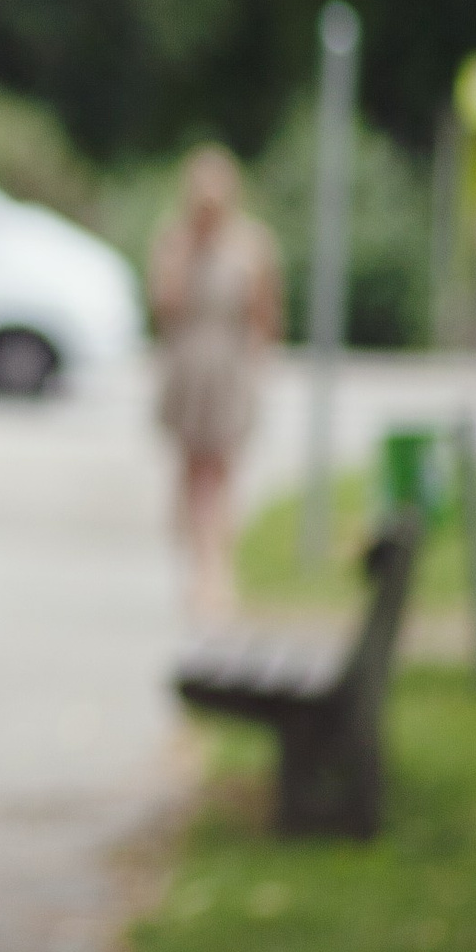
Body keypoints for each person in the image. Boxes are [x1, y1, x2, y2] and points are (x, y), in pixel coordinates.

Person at [149, 144, 282, 623]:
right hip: (189, 364)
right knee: (191, 471)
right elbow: (164, 309)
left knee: (222, 471)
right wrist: (186, 254)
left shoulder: (252, 244)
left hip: (228, 367)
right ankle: (194, 568)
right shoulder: (175, 240)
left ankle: (218, 572)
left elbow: (265, 317)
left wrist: (256, 372)